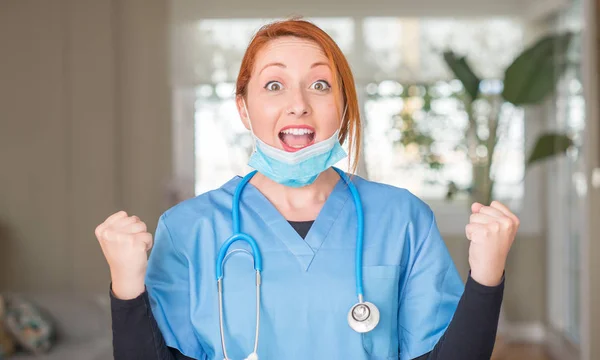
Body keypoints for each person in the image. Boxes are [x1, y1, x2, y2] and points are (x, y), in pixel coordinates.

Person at [95, 18, 519, 360]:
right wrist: (126, 287)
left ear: (343, 106)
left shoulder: (403, 218)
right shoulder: (189, 228)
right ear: (243, 109)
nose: (298, 102)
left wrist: (486, 276)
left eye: (320, 85)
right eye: (274, 85)